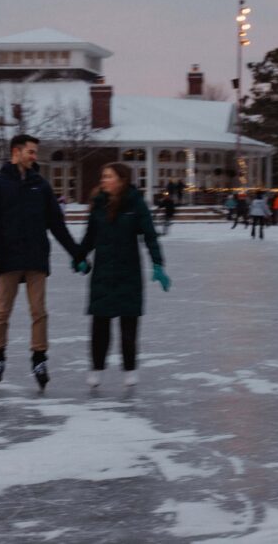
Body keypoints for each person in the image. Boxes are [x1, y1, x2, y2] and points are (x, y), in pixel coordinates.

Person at [0, 134, 82, 391]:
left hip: (36, 257)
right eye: (31, 152)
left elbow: (57, 225)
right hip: (7, 258)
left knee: (39, 311)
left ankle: (39, 358)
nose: (35, 157)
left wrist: (76, 253)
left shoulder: (41, 185)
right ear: (17, 152)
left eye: (35, 152)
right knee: (2, 310)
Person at [77, 162, 170, 388]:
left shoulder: (135, 204)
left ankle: (130, 368)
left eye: (108, 176)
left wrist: (158, 264)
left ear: (121, 179)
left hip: (128, 273)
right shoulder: (98, 204)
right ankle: (97, 368)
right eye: (103, 176)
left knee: (128, 325)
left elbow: (150, 235)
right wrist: (79, 256)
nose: (103, 180)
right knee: (100, 324)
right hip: (103, 272)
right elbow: (90, 236)